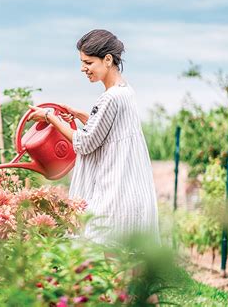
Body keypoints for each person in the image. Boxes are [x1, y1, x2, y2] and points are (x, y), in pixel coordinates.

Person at [28, 29, 160, 246]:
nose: (83, 69)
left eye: (88, 62)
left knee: (107, 254)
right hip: (130, 187)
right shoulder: (125, 91)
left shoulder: (109, 98)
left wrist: (50, 117)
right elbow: (108, 129)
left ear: (107, 59)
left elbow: (85, 142)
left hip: (114, 190)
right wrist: (79, 114)